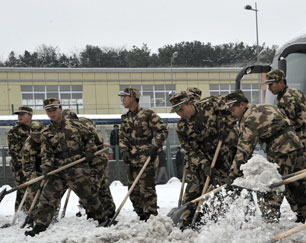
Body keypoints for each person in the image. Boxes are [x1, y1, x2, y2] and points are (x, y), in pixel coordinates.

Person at [224, 90, 306, 224]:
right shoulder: (265, 107)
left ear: (242, 104)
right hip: (297, 146)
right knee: (300, 186)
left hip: (281, 150)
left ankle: (270, 224)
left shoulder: (249, 120)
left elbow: (243, 152)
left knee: (272, 187)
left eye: (233, 110)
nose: (232, 114)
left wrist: (232, 176)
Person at [24, 98, 110, 236]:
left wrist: (89, 150)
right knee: (47, 197)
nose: (51, 113)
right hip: (58, 169)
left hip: (77, 165)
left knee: (89, 195)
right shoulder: (46, 133)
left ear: (60, 109)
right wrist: (47, 167)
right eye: (48, 111)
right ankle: (40, 225)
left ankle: (103, 219)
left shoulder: (76, 125)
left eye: (54, 110)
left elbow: (90, 138)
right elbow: (47, 154)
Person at [169, 91, 239, 230]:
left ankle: (222, 219)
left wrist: (229, 126)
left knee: (223, 187)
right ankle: (186, 221)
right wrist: (204, 164)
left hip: (225, 152)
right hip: (204, 158)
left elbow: (230, 111)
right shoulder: (182, 128)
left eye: (181, 110)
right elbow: (191, 150)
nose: (180, 114)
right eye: (177, 112)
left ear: (190, 103)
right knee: (193, 189)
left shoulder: (211, 104)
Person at [265, 69, 306, 222]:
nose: (269, 88)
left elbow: (285, 124)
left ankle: (303, 213)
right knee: (301, 181)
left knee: (291, 181)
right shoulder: (297, 92)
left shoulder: (285, 100)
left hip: (296, 143)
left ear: (282, 82)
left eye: (272, 84)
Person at [119, 88, 168, 221]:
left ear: (134, 98)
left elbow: (162, 130)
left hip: (146, 157)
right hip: (132, 158)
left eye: (125, 97)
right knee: (133, 191)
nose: (122, 100)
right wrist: (124, 150)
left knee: (146, 189)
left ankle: (151, 216)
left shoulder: (148, 114)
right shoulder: (125, 118)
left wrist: (154, 146)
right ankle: (141, 214)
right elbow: (122, 137)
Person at [62, 110, 116, 221]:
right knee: (100, 186)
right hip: (85, 160)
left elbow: (97, 142)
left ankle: (101, 212)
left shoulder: (85, 126)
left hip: (97, 158)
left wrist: (88, 152)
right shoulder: (66, 130)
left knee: (94, 185)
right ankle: (105, 210)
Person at [7, 106, 33, 211]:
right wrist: (23, 167)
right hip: (20, 166)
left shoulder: (35, 129)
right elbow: (14, 151)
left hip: (35, 165)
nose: (19, 116)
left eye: (22, 114)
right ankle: (20, 214)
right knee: (22, 189)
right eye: (18, 114)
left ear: (30, 115)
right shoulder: (15, 131)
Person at [21, 120, 44, 213]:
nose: (37, 139)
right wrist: (33, 178)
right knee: (32, 192)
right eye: (34, 136)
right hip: (33, 170)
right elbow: (27, 167)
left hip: (49, 169)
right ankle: (30, 215)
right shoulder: (28, 146)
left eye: (39, 136)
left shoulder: (49, 140)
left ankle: (51, 216)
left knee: (50, 193)